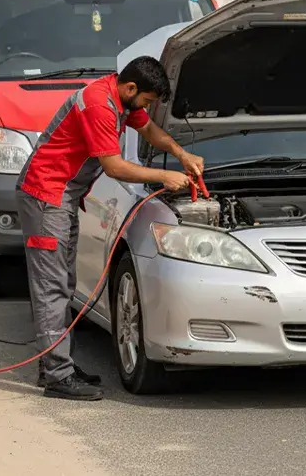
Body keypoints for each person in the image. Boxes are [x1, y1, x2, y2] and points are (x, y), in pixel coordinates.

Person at [15, 56, 204, 401]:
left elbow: (147, 129)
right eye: (146, 100)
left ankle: (56, 365)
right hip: (47, 196)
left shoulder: (119, 96)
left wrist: (181, 153)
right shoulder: (99, 105)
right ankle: (57, 376)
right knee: (52, 288)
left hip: (63, 197)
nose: (145, 108)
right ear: (131, 89)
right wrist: (165, 175)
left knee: (63, 283)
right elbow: (114, 167)